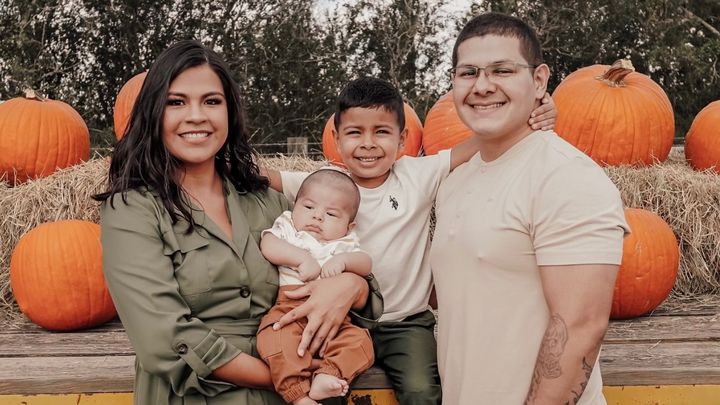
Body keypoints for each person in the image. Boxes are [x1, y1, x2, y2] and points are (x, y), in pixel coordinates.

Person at [95, 40, 381, 405]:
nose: (196, 116)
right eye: (176, 102)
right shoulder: (132, 211)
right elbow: (164, 339)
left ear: (230, 113)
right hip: (199, 395)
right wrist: (290, 379)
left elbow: (348, 275)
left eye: (212, 101)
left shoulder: (268, 202)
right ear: (153, 113)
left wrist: (350, 286)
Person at [264, 76, 556, 405]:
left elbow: (474, 145)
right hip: (341, 318)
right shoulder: (323, 186)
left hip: (406, 323)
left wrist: (529, 114)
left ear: (402, 139)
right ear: (336, 138)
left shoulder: (417, 175)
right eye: (355, 132)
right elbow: (265, 176)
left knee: (421, 391)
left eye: (381, 132)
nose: (368, 144)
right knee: (324, 386)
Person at [429, 12, 630, 405]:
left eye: (502, 70)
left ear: (539, 81)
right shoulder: (455, 181)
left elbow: (581, 327)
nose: (482, 86)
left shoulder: (566, 177)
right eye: (468, 73)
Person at [256, 169, 374, 405]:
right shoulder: (290, 227)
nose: (317, 217)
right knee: (274, 341)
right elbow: (268, 243)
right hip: (289, 309)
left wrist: (344, 261)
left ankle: (328, 375)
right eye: (309, 207)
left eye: (331, 214)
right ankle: (298, 395)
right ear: (295, 206)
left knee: (361, 342)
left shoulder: (343, 242)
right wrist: (301, 258)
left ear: (349, 226)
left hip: (336, 319)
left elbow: (366, 263)